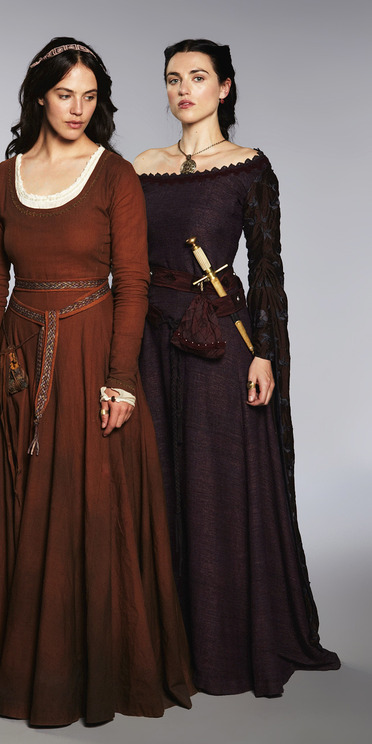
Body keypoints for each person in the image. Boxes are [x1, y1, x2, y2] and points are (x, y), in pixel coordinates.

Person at [0, 37, 194, 727]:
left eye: (89, 97)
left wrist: (121, 381)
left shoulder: (115, 175)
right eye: (65, 94)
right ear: (40, 96)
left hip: (91, 355)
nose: (77, 109)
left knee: (91, 507)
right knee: (21, 502)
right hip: (18, 355)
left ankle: (93, 675)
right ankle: (21, 669)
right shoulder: (1, 181)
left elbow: (134, 284)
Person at [133, 38, 340, 697]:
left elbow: (267, 271)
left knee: (214, 486)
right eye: (173, 79)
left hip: (220, 346)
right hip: (147, 342)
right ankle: (160, 642)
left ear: (224, 87)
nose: (182, 89)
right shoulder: (141, 165)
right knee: (155, 482)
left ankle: (221, 645)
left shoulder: (250, 167)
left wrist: (265, 353)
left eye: (197, 77)